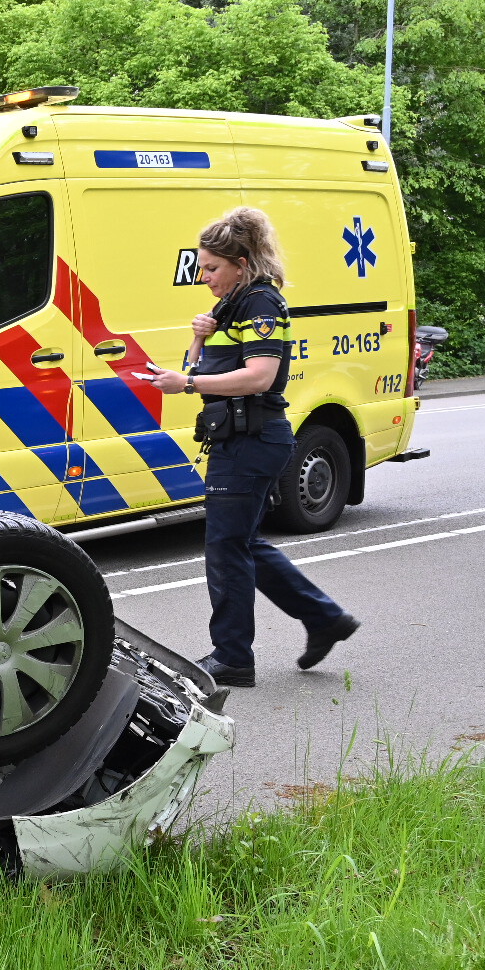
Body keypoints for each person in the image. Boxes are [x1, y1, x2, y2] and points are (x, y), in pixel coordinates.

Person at [141, 207, 359, 688]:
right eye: (201, 267)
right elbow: (205, 370)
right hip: (238, 438)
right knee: (244, 543)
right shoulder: (231, 306)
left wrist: (189, 381)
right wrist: (197, 344)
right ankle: (325, 618)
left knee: (225, 548)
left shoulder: (260, 303)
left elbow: (259, 376)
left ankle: (233, 657)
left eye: (212, 268)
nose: (204, 277)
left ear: (242, 263)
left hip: (253, 440)